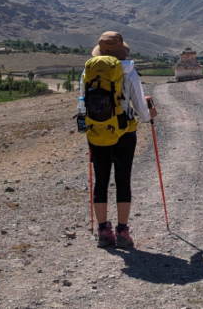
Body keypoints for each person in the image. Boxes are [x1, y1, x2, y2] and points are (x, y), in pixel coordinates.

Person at [82, 31, 157, 249]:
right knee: (123, 181)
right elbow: (142, 113)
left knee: (101, 182)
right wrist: (150, 113)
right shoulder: (130, 72)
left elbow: (82, 104)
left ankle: (103, 232)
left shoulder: (88, 72)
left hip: (96, 133)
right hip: (125, 134)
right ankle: (123, 233)